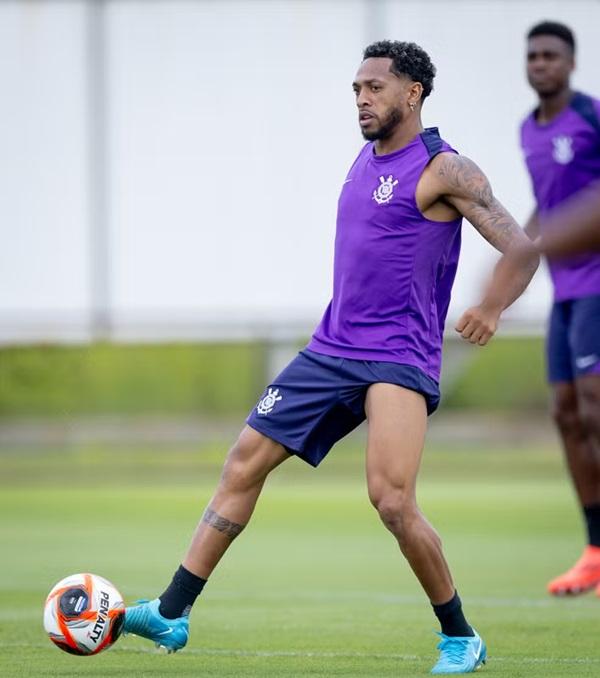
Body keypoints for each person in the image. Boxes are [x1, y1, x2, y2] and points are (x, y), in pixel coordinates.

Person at [123, 40, 538, 674]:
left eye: (374, 87)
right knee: (242, 463)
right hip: (331, 348)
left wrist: (490, 307)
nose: (362, 99)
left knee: (392, 501)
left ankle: (461, 637)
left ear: (413, 93)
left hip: (398, 357)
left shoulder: (446, 169)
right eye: (356, 90)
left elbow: (523, 249)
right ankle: (173, 612)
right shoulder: (364, 159)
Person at [520, 21, 600, 596]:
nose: (541, 63)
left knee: (596, 407)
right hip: (563, 293)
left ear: (571, 64)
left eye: (551, 55)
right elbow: (545, 211)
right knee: (566, 415)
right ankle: (595, 549)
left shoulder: (591, 117)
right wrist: (514, 258)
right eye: (533, 56)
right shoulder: (528, 129)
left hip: (599, 283)